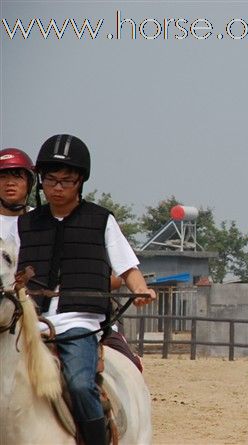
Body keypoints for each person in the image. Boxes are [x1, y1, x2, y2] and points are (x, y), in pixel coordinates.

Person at [12, 134, 157, 445]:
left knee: (79, 384)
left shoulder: (100, 220)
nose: (58, 187)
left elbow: (127, 267)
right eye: (51, 180)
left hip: (78, 323)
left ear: (80, 182)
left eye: (66, 180)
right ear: (41, 181)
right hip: (28, 322)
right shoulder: (24, 224)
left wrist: (141, 289)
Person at [0, 148, 35, 240]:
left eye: (17, 177)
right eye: (3, 177)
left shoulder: (42, 220)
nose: (10, 183)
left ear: (29, 183)